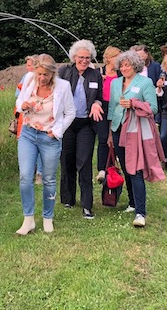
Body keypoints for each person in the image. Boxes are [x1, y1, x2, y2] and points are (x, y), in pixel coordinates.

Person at [15, 54, 75, 234]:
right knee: (25, 177)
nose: (41, 78)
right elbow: (19, 101)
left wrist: (57, 131)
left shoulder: (63, 87)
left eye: (45, 75)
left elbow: (71, 112)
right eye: (38, 74)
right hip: (28, 133)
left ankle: (48, 217)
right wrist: (22, 106)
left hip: (49, 137)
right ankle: (28, 219)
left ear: (53, 74)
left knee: (48, 178)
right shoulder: (28, 80)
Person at [107, 50, 165, 227]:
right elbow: (112, 108)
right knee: (126, 168)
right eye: (122, 65)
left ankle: (141, 212)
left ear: (135, 66)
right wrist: (110, 133)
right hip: (118, 129)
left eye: (127, 65)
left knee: (135, 170)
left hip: (135, 131)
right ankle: (132, 203)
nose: (124, 68)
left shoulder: (145, 82)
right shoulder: (116, 83)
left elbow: (153, 108)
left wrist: (134, 104)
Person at [58, 40, 105, 219]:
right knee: (67, 161)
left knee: (84, 162)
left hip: (86, 124)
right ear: (74, 57)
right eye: (81, 57)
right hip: (67, 123)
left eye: (87, 57)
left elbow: (99, 96)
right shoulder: (64, 72)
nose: (84, 60)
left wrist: (96, 103)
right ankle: (68, 198)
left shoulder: (95, 75)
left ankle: (87, 205)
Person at [15, 55, 43, 184]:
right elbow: (18, 95)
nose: (28, 68)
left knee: (40, 146)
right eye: (27, 65)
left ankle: (40, 173)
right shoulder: (26, 77)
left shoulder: (45, 77)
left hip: (41, 118)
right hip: (26, 117)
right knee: (27, 145)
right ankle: (28, 173)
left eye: (30, 65)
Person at [95, 46, 121, 183]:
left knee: (116, 135)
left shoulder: (121, 73)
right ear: (109, 58)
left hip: (117, 107)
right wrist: (100, 80)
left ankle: (114, 164)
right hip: (103, 106)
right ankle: (101, 169)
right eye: (116, 56)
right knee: (103, 137)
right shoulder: (98, 72)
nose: (118, 59)